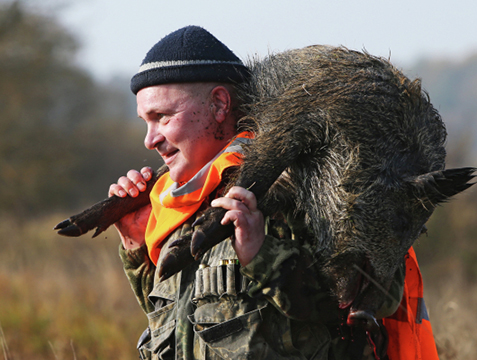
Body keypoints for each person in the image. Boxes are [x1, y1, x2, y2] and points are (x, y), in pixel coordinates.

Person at [109, 25, 429, 360]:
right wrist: (136, 247)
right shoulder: (175, 204)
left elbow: (374, 298)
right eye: (146, 121)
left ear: (220, 104)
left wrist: (261, 254)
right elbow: (175, 327)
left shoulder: (312, 182)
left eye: (162, 117)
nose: (150, 139)